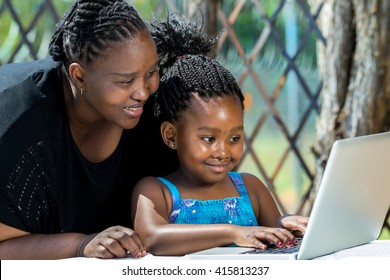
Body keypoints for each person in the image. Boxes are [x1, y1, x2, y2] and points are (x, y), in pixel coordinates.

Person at [0, 0, 178, 259]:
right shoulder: (20, 129)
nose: (143, 91)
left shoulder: (156, 114)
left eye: (151, 72)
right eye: (126, 80)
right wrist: (81, 245)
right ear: (79, 76)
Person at [131, 14, 309, 256]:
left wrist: (284, 227)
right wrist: (232, 232)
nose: (223, 151)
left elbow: (269, 237)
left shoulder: (251, 189)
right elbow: (152, 238)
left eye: (234, 138)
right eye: (209, 139)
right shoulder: (156, 192)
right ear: (171, 136)